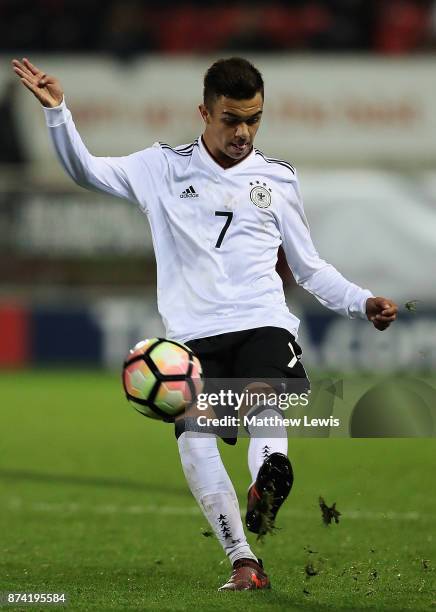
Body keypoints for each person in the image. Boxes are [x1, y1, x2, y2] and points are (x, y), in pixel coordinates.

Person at [12, 56, 398, 592]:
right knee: (196, 439)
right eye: (231, 119)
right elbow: (85, 171)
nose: (243, 132)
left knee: (263, 396)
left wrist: (361, 302)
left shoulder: (278, 178)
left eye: (254, 120)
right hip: (191, 338)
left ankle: (268, 482)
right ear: (204, 112)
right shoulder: (161, 167)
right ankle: (244, 560)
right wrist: (58, 113)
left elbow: (308, 267)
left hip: (263, 320)